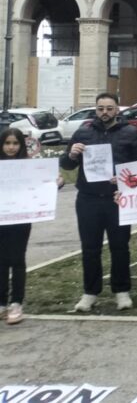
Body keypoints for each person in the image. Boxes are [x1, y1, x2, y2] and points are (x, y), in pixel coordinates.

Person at [60, 92, 137, 313]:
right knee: (90, 248)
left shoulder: (131, 133)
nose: (105, 112)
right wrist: (71, 154)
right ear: (96, 110)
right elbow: (67, 165)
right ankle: (90, 293)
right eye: (101, 108)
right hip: (88, 199)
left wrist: (125, 178)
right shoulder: (83, 133)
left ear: (117, 110)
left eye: (109, 108)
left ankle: (122, 291)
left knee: (120, 247)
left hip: (117, 199)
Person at [0, 128, 63, 324]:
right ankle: (1, 303)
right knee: (1, 260)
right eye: (7, 143)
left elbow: (45, 185)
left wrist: (57, 182)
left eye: (15, 143)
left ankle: (16, 303)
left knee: (17, 259)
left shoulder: (30, 165)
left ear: (21, 145)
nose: (11, 147)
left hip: (20, 219)